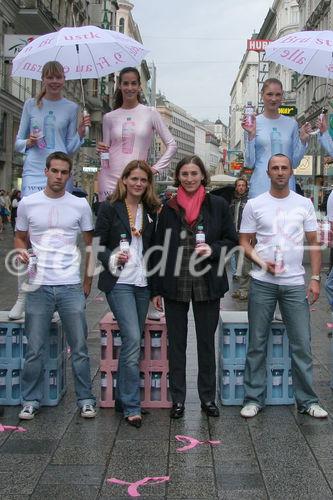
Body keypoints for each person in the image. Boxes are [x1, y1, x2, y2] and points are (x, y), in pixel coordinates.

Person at [239, 153, 328, 419]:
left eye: (284, 168)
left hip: (293, 283)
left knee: (302, 343)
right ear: (267, 173)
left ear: (291, 172)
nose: (279, 172)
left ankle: (308, 400)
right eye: (275, 168)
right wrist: (262, 263)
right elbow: (244, 242)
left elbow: (313, 242)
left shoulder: (304, 203)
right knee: (257, 343)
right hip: (262, 282)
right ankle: (253, 398)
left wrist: (314, 278)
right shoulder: (255, 204)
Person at [152, 155, 238, 419]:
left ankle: (207, 398)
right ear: (178, 177)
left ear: (203, 176)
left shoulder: (218, 205)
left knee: (205, 343)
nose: (189, 179)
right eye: (185, 174)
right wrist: (156, 288)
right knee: (176, 344)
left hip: (207, 283)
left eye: (194, 174)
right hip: (175, 283)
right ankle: (178, 398)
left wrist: (212, 249)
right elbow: (157, 251)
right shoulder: (167, 208)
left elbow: (231, 241)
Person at [15, 151, 96, 420]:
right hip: (38, 286)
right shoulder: (28, 203)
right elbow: (19, 237)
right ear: (46, 172)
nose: (59, 176)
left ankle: (85, 399)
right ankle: (30, 399)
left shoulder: (80, 205)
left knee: (80, 348)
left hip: (70, 284)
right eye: (55, 171)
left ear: (69, 175)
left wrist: (87, 281)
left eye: (64, 172)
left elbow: (89, 245)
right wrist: (22, 252)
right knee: (35, 348)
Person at [9, 61, 90, 320]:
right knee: (30, 236)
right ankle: (24, 294)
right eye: (50, 77)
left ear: (64, 80)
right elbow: (17, 143)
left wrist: (80, 132)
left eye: (59, 77)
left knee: (56, 234)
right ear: (43, 79)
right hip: (34, 170)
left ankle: (55, 294)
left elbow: (70, 148)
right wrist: (28, 142)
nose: (54, 82)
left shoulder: (72, 107)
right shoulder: (31, 105)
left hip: (59, 173)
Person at [95, 160, 160, 428]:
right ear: (124, 180)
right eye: (134, 178)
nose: (138, 184)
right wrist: (112, 258)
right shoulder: (110, 208)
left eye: (143, 180)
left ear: (148, 184)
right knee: (132, 337)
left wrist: (156, 289)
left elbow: (156, 249)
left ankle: (124, 399)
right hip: (119, 281)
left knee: (132, 342)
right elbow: (98, 244)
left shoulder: (152, 210)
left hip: (142, 282)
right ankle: (132, 405)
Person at [97, 66, 177, 201]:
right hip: (110, 179)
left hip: (137, 180)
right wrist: (101, 151)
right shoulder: (109, 117)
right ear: (119, 86)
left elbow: (172, 145)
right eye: (126, 83)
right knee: (109, 220)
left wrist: (153, 169)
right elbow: (105, 155)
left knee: (135, 220)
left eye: (133, 83)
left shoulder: (150, 113)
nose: (129, 88)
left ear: (139, 86)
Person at [242, 78, 311, 199]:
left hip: (286, 188)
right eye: (269, 94)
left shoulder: (291, 124)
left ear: (282, 96)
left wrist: (303, 141)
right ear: (262, 95)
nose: (274, 99)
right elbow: (249, 163)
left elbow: (294, 163)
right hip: (260, 188)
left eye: (278, 94)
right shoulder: (253, 123)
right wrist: (251, 136)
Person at [229, 177, 252, 300]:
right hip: (235, 235)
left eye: (243, 185)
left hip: (246, 235)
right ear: (236, 187)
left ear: (246, 187)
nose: (241, 187)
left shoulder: (249, 201)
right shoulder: (233, 201)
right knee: (238, 263)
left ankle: (245, 289)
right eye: (239, 185)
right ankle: (241, 288)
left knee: (245, 264)